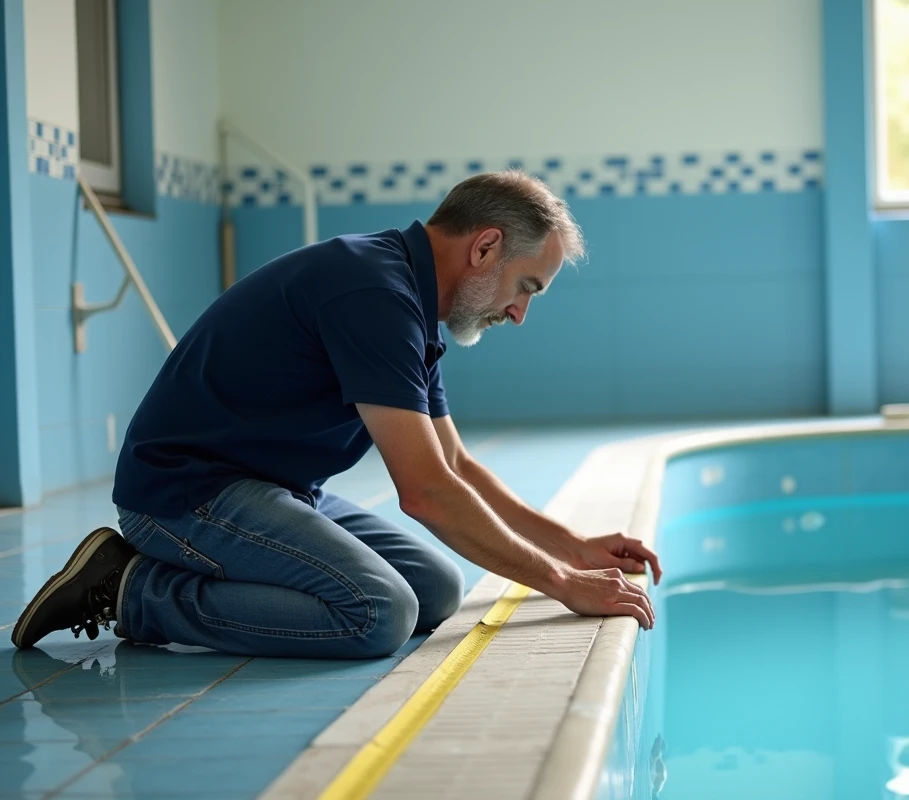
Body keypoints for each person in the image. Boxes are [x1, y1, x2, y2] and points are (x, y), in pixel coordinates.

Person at [12, 171, 661, 657]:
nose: (519, 312)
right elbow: (429, 493)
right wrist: (562, 583)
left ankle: (162, 578)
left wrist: (575, 549)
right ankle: (134, 587)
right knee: (378, 613)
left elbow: (455, 464)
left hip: (272, 487)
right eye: (528, 287)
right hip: (187, 492)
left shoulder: (410, 298)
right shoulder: (373, 294)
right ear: (486, 247)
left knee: (435, 590)